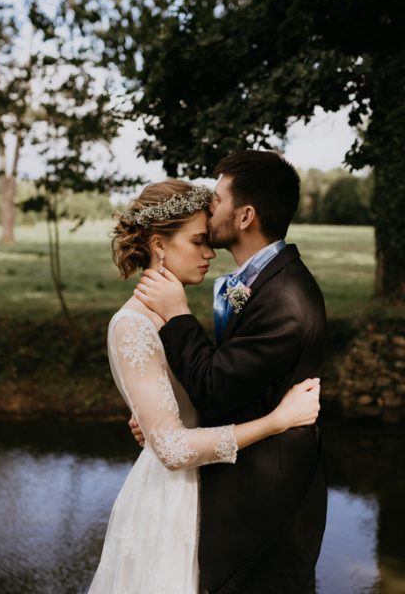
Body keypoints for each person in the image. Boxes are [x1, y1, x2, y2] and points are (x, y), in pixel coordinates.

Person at [88, 178, 321, 594]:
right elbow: (174, 450)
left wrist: (154, 419)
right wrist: (278, 420)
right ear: (159, 245)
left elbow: (202, 388)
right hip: (169, 502)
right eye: (198, 241)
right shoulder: (132, 326)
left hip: (209, 496)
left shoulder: (171, 312)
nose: (210, 253)